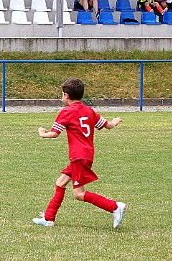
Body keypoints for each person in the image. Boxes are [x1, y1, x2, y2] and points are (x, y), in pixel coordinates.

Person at [32, 78, 127, 229]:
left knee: (78, 194)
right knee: (60, 182)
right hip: (85, 155)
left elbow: (55, 133)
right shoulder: (89, 111)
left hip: (78, 156)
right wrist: (114, 121)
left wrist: (42, 133)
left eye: (62, 95)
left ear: (66, 95)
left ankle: (115, 207)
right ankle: (49, 218)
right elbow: (107, 125)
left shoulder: (66, 112)